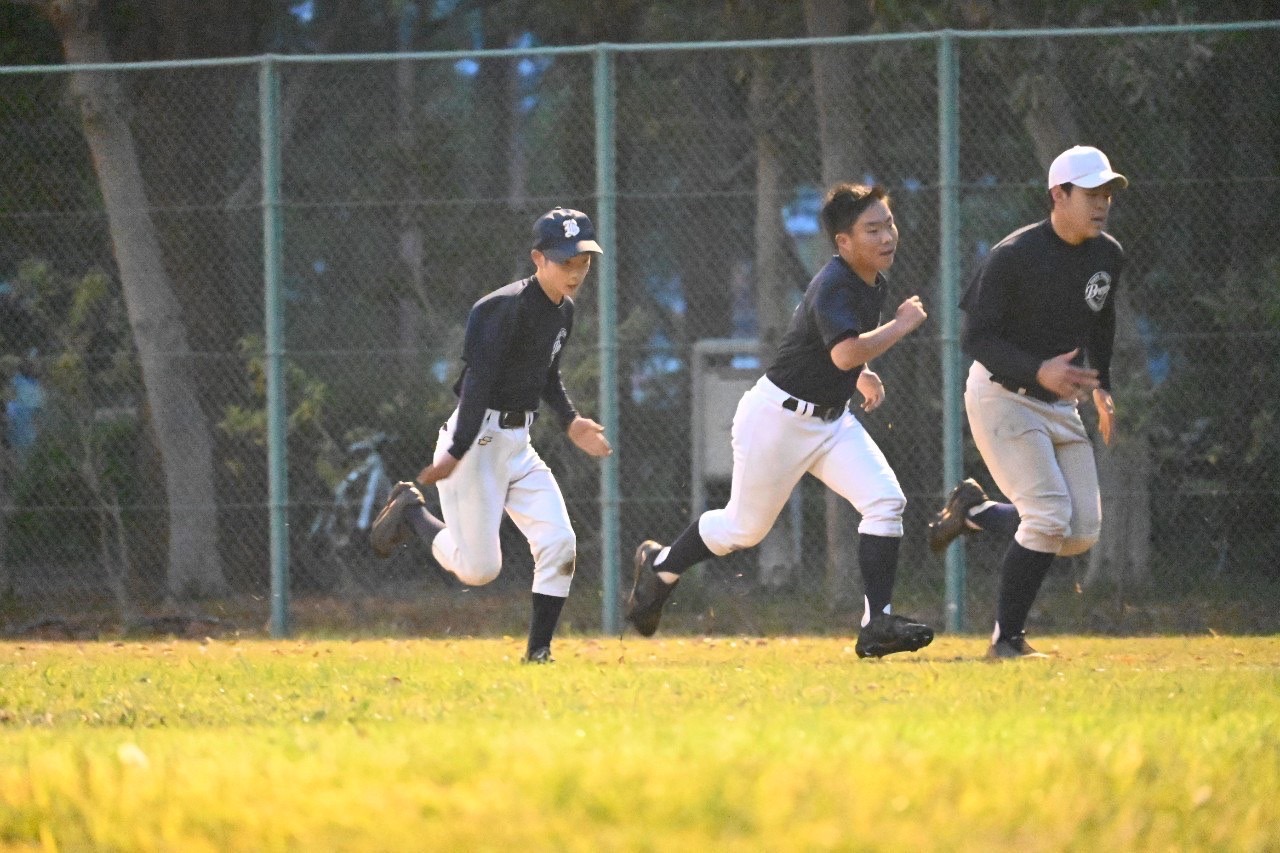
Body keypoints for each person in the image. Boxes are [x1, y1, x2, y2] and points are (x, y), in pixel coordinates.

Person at [626, 182, 934, 658]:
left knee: (885, 502)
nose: (887, 235)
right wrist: (898, 327)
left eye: (889, 223)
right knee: (743, 530)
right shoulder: (835, 283)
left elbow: (834, 350)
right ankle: (660, 565)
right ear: (843, 243)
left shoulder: (872, 278)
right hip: (777, 421)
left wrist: (862, 374)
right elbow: (844, 351)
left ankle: (877, 624)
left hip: (831, 424)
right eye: (872, 229)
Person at [369, 207, 613, 664]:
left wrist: (570, 419)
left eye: (583, 261)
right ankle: (412, 513)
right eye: (566, 262)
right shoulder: (499, 310)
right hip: (474, 442)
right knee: (480, 570)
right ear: (538, 259)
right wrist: (456, 452)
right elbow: (477, 383)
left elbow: (547, 375)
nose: (576, 272)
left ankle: (538, 655)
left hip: (517, 445)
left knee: (559, 543)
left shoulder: (564, 312)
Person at [929, 144, 1126, 659]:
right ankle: (1006, 641)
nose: (1102, 202)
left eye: (1107, 193)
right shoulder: (1013, 256)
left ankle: (976, 513)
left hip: (1062, 403)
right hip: (1003, 397)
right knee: (1048, 514)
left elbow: (1101, 320)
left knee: (1080, 532)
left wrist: (1101, 386)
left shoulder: (1109, 254)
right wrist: (1039, 369)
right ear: (1058, 195)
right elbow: (975, 340)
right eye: (1091, 192)